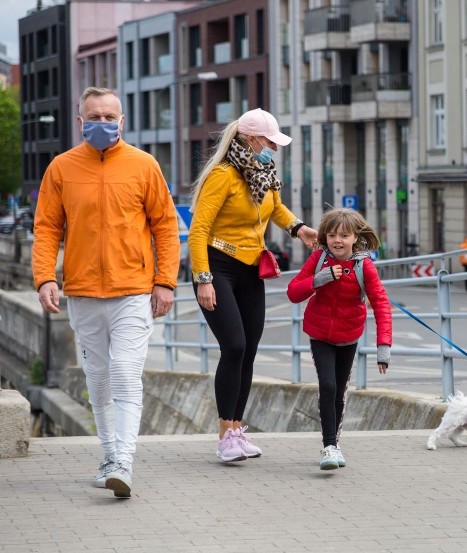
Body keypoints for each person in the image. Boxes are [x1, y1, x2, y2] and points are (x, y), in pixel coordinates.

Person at [32, 87, 180, 498]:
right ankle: (109, 456)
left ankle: (124, 462)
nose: (102, 123)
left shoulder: (144, 165)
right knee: (97, 379)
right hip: (81, 292)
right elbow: (46, 228)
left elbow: (166, 228)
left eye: (109, 116)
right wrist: (45, 277)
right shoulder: (61, 169)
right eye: (93, 116)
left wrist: (165, 282)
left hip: (133, 290)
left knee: (124, 373)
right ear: (80, 122)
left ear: (122, 121)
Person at [188, 108, 318, 462]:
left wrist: (299, 228)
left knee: (249, 349)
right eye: (269, 142)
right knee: (233, 346)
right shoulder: (223, 175)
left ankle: (237, 429)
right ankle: (223, 435)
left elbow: (275, 208)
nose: (273, 149)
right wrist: (203, 280)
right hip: (217, 267)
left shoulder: (263, 172)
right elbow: (198, 230)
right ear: (249, 139)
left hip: (249, 269)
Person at [287, 207, 392, 471]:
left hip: (348, 336)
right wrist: (318, 279)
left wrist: (383, 347)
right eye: (332, 235)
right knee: (328, 385)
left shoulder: (363, 266)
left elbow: (381, 303)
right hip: (320, 333)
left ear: (355, 237)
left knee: (339, 391)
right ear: (325, 237)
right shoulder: (319, 259)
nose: (337, 240)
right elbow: (293, 292)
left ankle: (335, 443)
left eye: (344, 235)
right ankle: (329, 446)